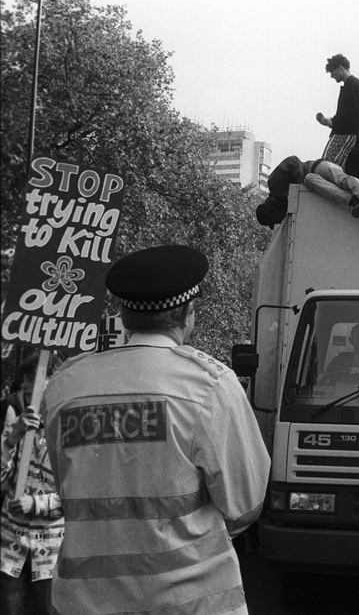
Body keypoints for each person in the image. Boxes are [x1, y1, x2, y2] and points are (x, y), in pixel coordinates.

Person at [42, 245, 271, 615]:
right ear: (188, 313)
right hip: (191, 602)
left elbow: (63, 482)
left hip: (83, 601)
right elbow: (246, 503)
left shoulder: (65, 384)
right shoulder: (208, 385)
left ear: (123, 313)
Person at [1, 354, 63, 615]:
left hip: (49, 550)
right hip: (9, 544)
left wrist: (34, 504)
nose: (28, 387)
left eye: (36, 380)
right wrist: (11, 439)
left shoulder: (67, 429)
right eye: (26, 380)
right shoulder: (13, 425)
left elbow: (75, 495)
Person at [256, 155, 359, 228]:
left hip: (316, 167)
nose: (279, 221)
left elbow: (292, 160)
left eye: (275, 220)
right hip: (315, 181)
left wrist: (300, 189)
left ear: (272, 211)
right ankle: (353, 201)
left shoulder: (274, 184)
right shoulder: (287, 206)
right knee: (336, 184)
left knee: (342, 180)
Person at [316, 54, 359, 168]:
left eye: (332, 72)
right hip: (344, 133)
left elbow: (352, 115)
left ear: (340, 67)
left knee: (327, 166)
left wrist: (330, 122)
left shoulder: (354, 85)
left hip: (345, 133)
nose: (332, 76)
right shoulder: (352, 84)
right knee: (332, 166)